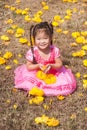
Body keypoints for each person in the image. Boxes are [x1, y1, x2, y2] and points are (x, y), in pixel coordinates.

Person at [14, 21, 76, 96]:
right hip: (36, 72)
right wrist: (37, 66)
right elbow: (29, 66)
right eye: (39, 39)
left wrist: (52, 66)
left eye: (45, 38)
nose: (42, 42)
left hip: (54, 73)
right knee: (29, 82)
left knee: (64, 83)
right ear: (34, 40)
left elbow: (59, 64)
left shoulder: (54, 50)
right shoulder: (33, 52)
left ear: (50, 38)